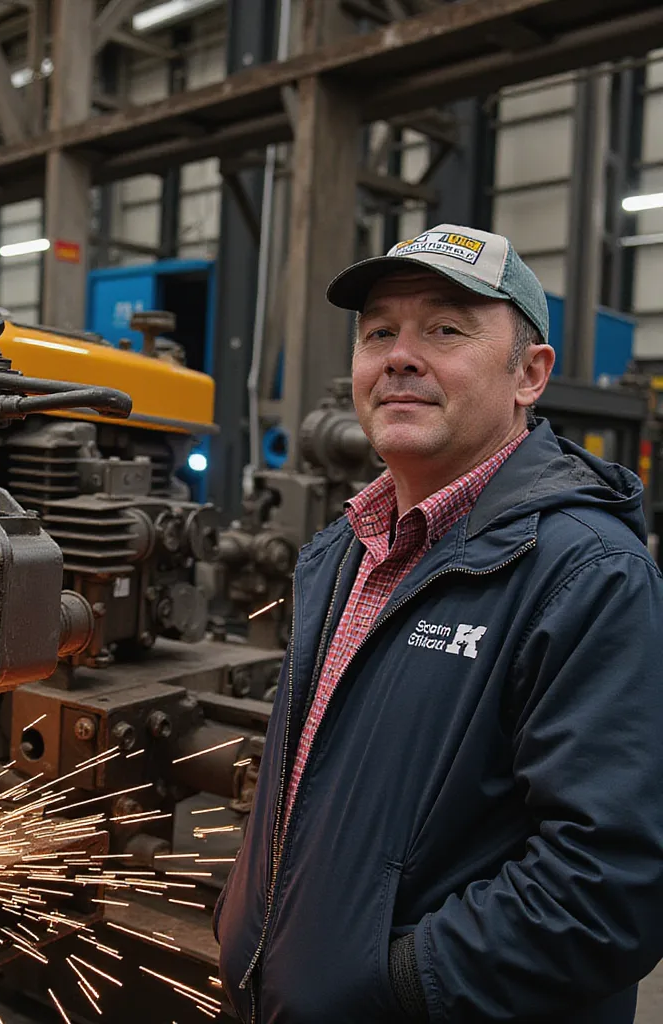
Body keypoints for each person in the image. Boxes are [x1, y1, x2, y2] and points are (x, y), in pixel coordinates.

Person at [214, 224, 663, 1023]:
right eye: (379, 331)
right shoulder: (338, 556)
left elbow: (611, 883)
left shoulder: (591, 575)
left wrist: (393, 986)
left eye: (445, 329)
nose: (400, 355)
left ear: (530, 375)